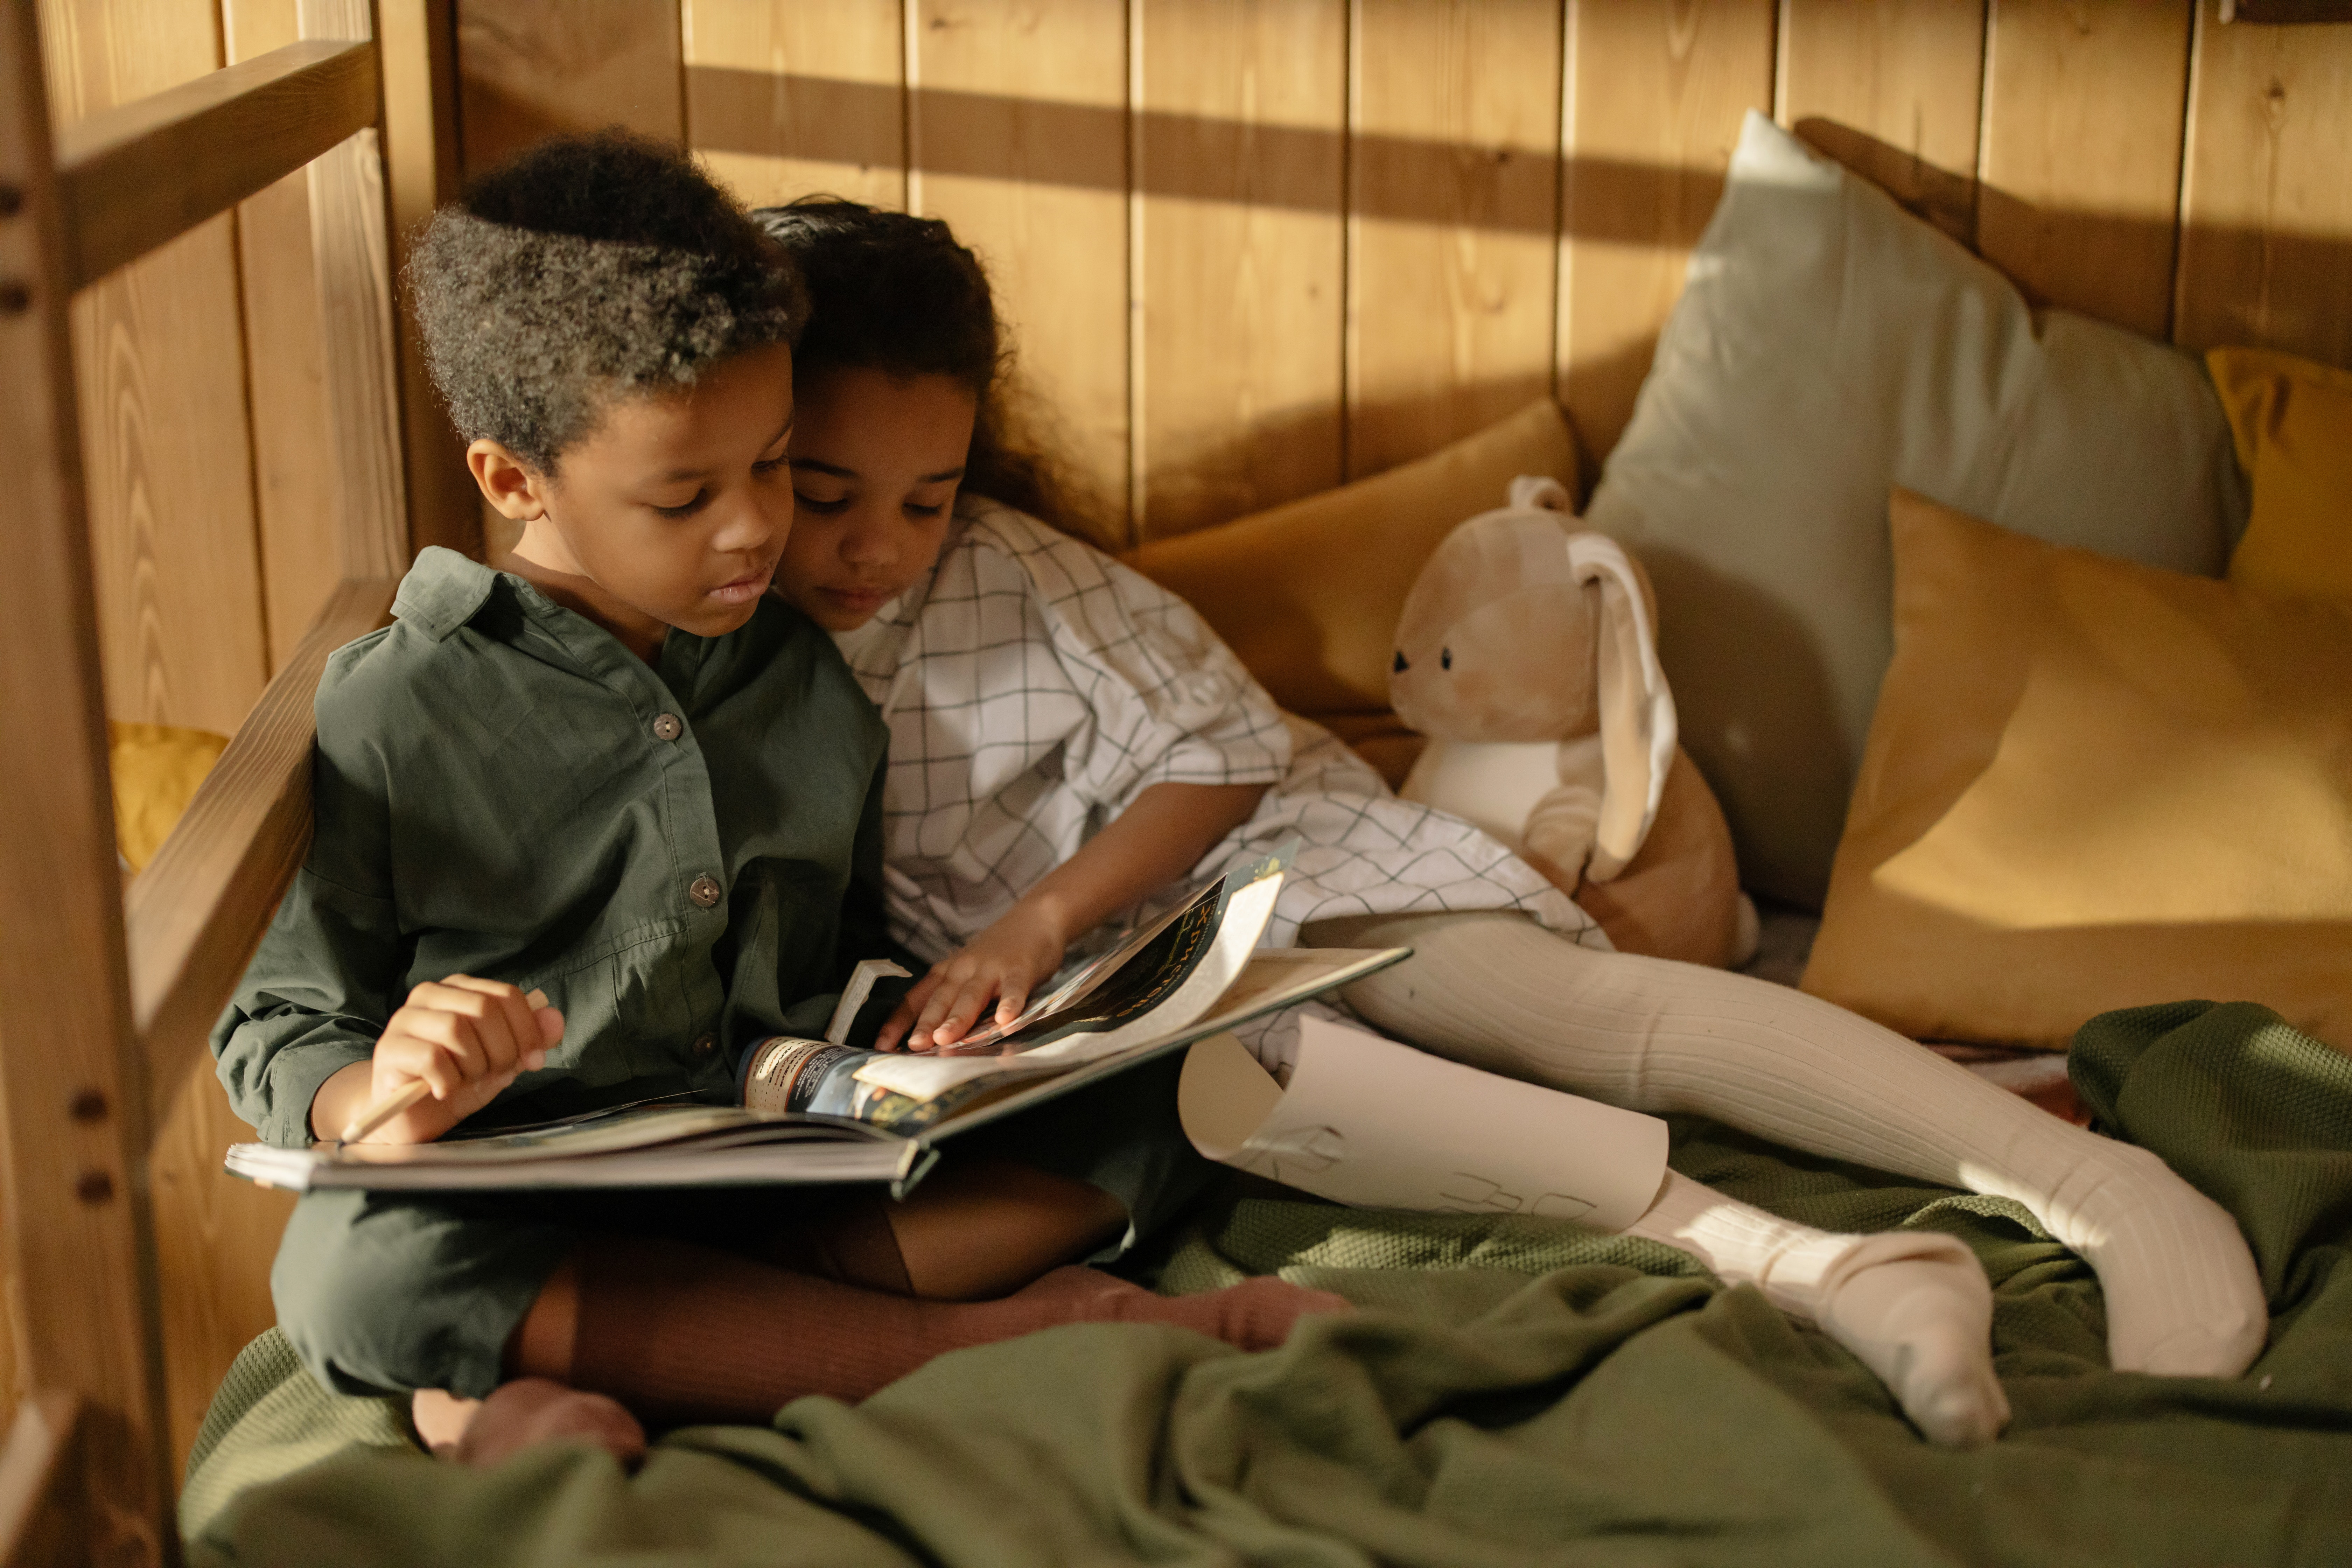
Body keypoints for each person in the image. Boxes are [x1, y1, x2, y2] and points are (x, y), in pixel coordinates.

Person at [754, 196, 2270, 1448]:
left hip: (1271, 864)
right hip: (1130, 1010)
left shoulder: (1019, 576)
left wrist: (1037, 920)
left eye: (926, 498)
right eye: (828, 497)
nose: (878, 547)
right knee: (1389, 1129)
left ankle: (2102, 1188)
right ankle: (1854, 1277)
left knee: (1561, 1017)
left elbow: (1219, 754)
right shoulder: (738, 634)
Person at [212, 136, 1342, 1471]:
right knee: (350, 1274)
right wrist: (377, 1091)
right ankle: (998, 1341)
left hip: (785, 1168)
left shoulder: (805, 675)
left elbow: (842, 945)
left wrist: (945, 1040)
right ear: (516, 483)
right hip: (529, 1189)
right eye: (687, 496)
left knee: (1180, 1088)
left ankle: (554, 1382)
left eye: (774, 467)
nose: (754, 530)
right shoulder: (394, 708)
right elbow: (280, 1025)